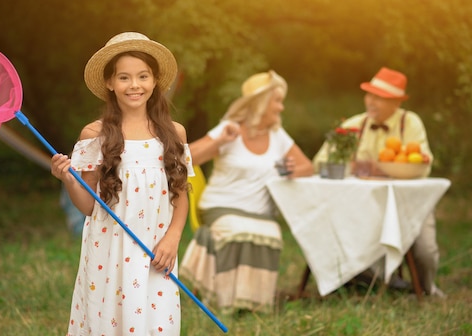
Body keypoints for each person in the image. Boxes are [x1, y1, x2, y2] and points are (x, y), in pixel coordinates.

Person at [51, 32, 193, 335]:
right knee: (111, 321)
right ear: (110, 82)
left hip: (157, 250)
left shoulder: (173, 133)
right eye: (125, 77)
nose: (134, 85)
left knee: (156, 324)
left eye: (143, 76)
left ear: (154, 81)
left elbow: (181, 195)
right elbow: (89, 206)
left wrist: (173, 239)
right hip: (110, 250)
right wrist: (68, 180)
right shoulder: (94, 134)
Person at [180, 70, 315, 314]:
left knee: (269, 232)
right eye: (276, 100)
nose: (281, 107)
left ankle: (252, 302)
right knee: (240, 231)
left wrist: (295, 170)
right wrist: (219, 141)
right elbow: (186, 159)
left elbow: (308, 166)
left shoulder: (278, 136)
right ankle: (227, 301)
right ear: (260, 102)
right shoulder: (229, 129)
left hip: (260, 212)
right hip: (221, 206)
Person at [312, 66, 445, 297]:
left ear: (396, 103)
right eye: (369, 95)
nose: (370, 102)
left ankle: (425, 288)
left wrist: (381, 167)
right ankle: (368, 284)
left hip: (408, 202)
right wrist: (350, 165)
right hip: (363, 206)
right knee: (344, 234)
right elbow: (320, 162)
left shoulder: (410, 123)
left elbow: (423, 164)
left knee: (425, 250)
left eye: (379, 98)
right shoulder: (354, 125)